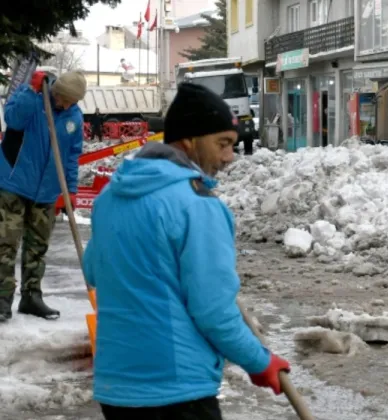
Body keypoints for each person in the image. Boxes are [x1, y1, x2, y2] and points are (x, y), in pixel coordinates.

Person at [82, 82, 291, 420]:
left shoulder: (110, 199)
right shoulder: (198, 206)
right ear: (190, 140)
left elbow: (93, 270)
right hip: (177, 393)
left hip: (116, 389)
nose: (229, 157)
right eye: (222, 144)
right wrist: (260, 362)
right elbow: (214, 313)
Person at [0, 70, 87, 322]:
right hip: (13, 183)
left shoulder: (74, 117)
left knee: (37, 247)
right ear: (56, 92)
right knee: (5, 244)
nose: (67, 105)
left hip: (47, 191)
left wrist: (70, 189)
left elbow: (72, 156)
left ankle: (31, 297)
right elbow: (12, 119)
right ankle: (2, 299)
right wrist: (30, 91)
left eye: (73, 101)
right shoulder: (32, 99)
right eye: (65, 99)